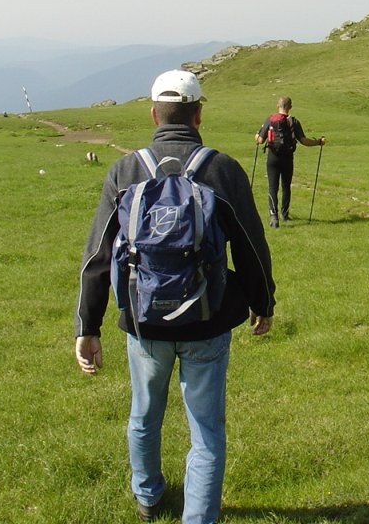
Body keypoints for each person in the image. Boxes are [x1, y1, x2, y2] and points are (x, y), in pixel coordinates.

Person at [74, 70, 275, 524]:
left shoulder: (125, 171)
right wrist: (263, 305)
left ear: (153, 114)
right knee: (205, 431)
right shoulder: (221, 169)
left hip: (144, 324)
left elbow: (97, 258)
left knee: (145, 415)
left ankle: (148, 497)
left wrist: (87, 327)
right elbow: (251, 247)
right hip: (208, 320)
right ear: (199, 114)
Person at [254, 96, 325, 228]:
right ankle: (284, 215)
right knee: (286, 186)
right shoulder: (293, 122)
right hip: (287, 158)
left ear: (277, 106)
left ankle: (273, 217)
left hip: (272, 158)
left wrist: (257, 136)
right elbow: (304, 141)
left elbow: (260, 140)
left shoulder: (270, 119)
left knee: (272, 187)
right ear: (290, 107)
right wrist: (318, 142)